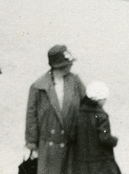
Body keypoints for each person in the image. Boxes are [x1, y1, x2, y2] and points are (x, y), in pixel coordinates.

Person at [26, 44, 87, 174]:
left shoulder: (75, 82)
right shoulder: (38, 87)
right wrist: (31, 142)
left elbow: (87, 107)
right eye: (68, 63)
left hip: (72, 146)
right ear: (58, 65)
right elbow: (31, 116)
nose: (71, 65)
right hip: (49, 149)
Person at [71, 81, 121, 174]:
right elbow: (104, 137)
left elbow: (72, 135)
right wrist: (114, 140)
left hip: (82, 162)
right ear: (99, 100)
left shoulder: (79, 114)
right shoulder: (101, 116)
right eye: (104, 99)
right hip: (100, 162)